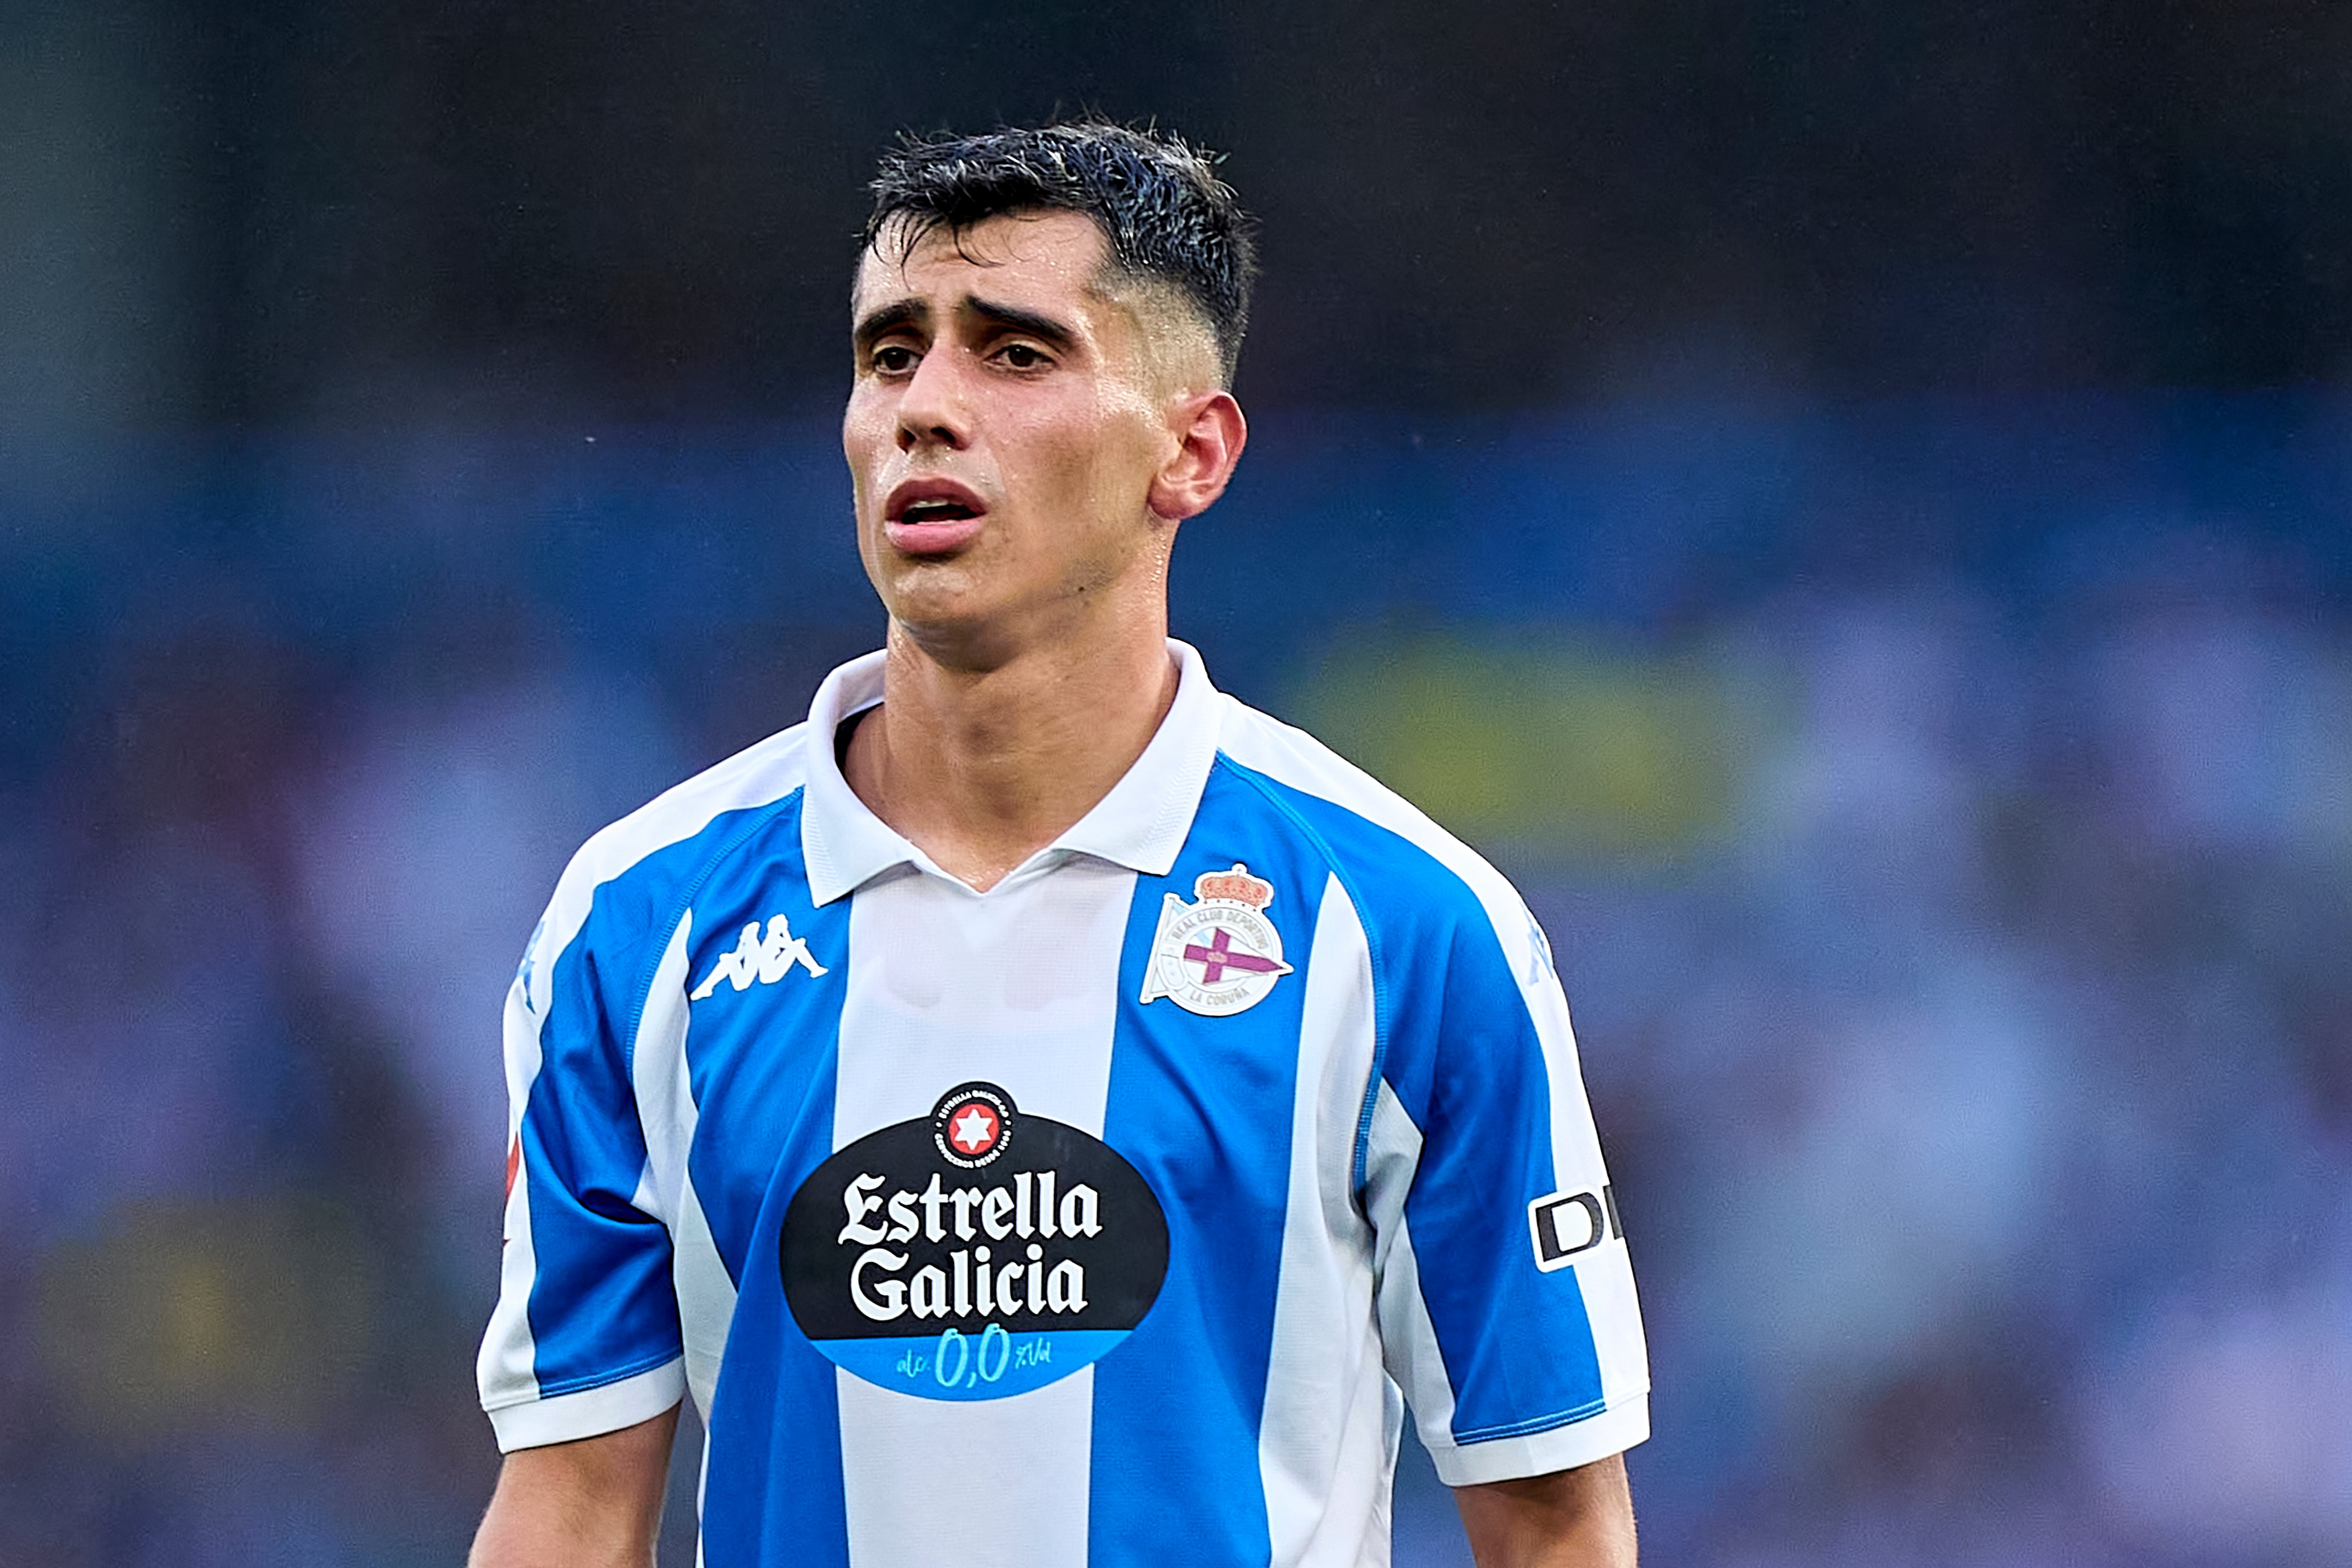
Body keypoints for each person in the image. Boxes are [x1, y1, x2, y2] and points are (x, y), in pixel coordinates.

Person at [468, 122, 1647, 1568]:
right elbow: (571, 1507)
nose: (924, 407)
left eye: (1013, 353)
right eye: (890, 353)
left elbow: (1551, 1524)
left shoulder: (1404, 925)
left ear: (1190, 452)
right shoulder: (637, 923)